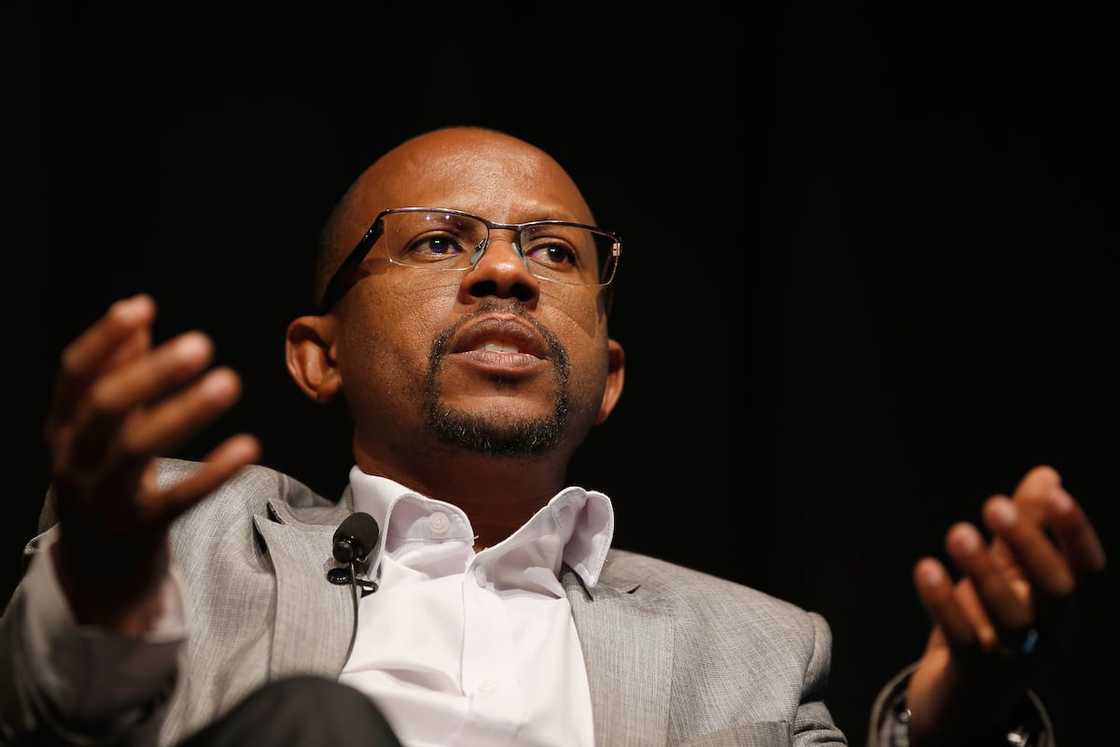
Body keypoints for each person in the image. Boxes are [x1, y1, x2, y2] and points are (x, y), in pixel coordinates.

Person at [0, 127, 1106, 747]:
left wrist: (960, 719)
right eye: (437, 243)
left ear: (608, 375)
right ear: (317, 356)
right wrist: (102, 580)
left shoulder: (752, 653)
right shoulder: (174, 536)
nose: (503, 270)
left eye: (555, 252)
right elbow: (62, 712)